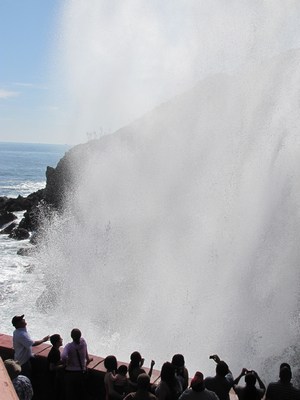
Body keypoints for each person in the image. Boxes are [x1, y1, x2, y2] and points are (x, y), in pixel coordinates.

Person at [12, 314, 49, 378]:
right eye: (21, 320)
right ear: (18, 324)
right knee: (25, 378)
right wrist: (43, 340)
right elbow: (32, 343)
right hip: (23, 362)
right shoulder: (21, 334)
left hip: (22, 359)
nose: (23, 320)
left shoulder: (18, 331)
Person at [61, 328, 93, 400]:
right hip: (81, 373)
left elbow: (63, 356)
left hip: (70, 374)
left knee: (71, 395)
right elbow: (86, 351)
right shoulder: (83, 341)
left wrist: (66, 362)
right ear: (80, 335)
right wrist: (88, 359)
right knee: (81, 394)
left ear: (71, 336)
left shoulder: (69, 346)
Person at [47, 333, 64, 399]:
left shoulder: (55, 350)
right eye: (60, 339)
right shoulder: (55, 352)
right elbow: (51, 368)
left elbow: (56, 362)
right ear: (57, 342)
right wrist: (64, 365)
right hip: (52, 377)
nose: (62, 340)